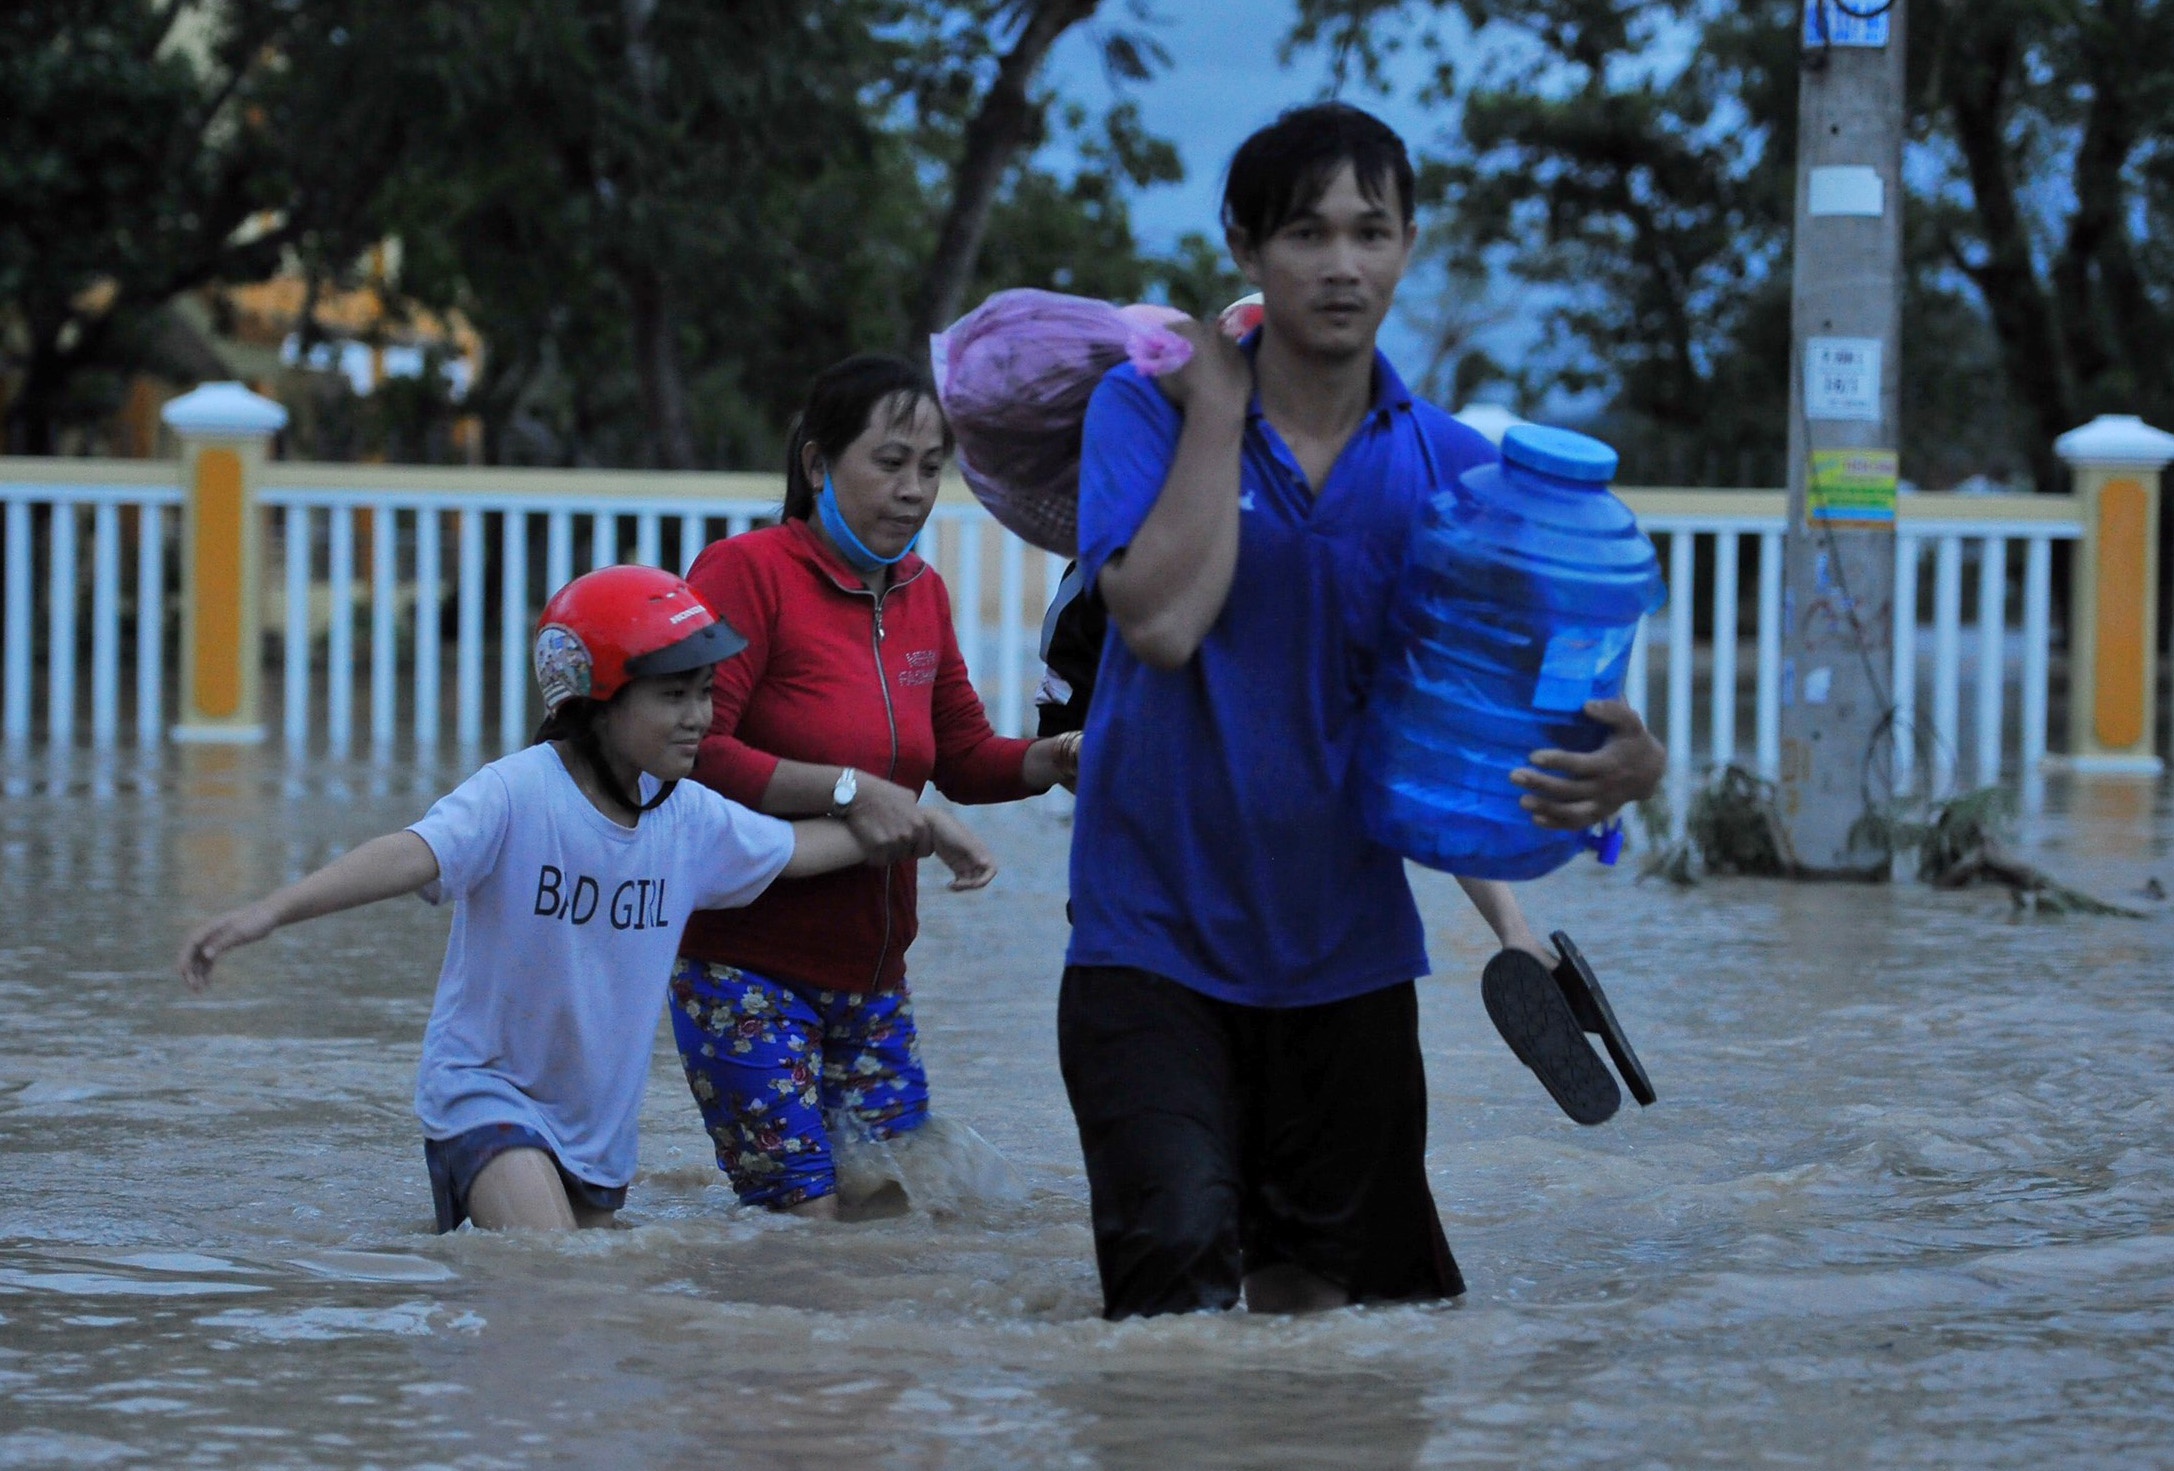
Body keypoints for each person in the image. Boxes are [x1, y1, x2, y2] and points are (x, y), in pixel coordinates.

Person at [1060, 103, 1667, 1318]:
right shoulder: (1144, 414)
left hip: (1345, 964)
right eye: (1304, 232)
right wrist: (1220, 412)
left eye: (1369, 232)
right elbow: (1161, 625)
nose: (1340, 264)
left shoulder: (1453, 476)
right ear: (1243, 246)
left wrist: (1624, 768)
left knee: (1341, 1332)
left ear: (1405, 247)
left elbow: (1479, 737)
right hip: (1148, 944)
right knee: (1170, 1292)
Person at [175, 564, 993, 1232]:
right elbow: (407, 852)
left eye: (706, 693)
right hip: (484, 1096)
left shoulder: (693, 817)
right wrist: (267, 913)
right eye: (674, 695)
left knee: (588, 1309)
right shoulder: (517, 794)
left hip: (598, 1139)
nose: (701, 719)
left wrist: (921, 823)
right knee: (553, 1279)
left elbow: (803, 850)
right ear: (594, 702)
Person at [670, 354, 1081, 1219]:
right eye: (890, 462)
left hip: (874, 983)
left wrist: (1055, 759)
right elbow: (699, 749)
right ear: (819, 464)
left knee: (895, 1223)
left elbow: (964, 755)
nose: (915, 490)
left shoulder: (922, 594)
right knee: (808, 1225)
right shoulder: (746, 572)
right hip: (747, 974)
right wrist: (855, 791)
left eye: (932, 468)